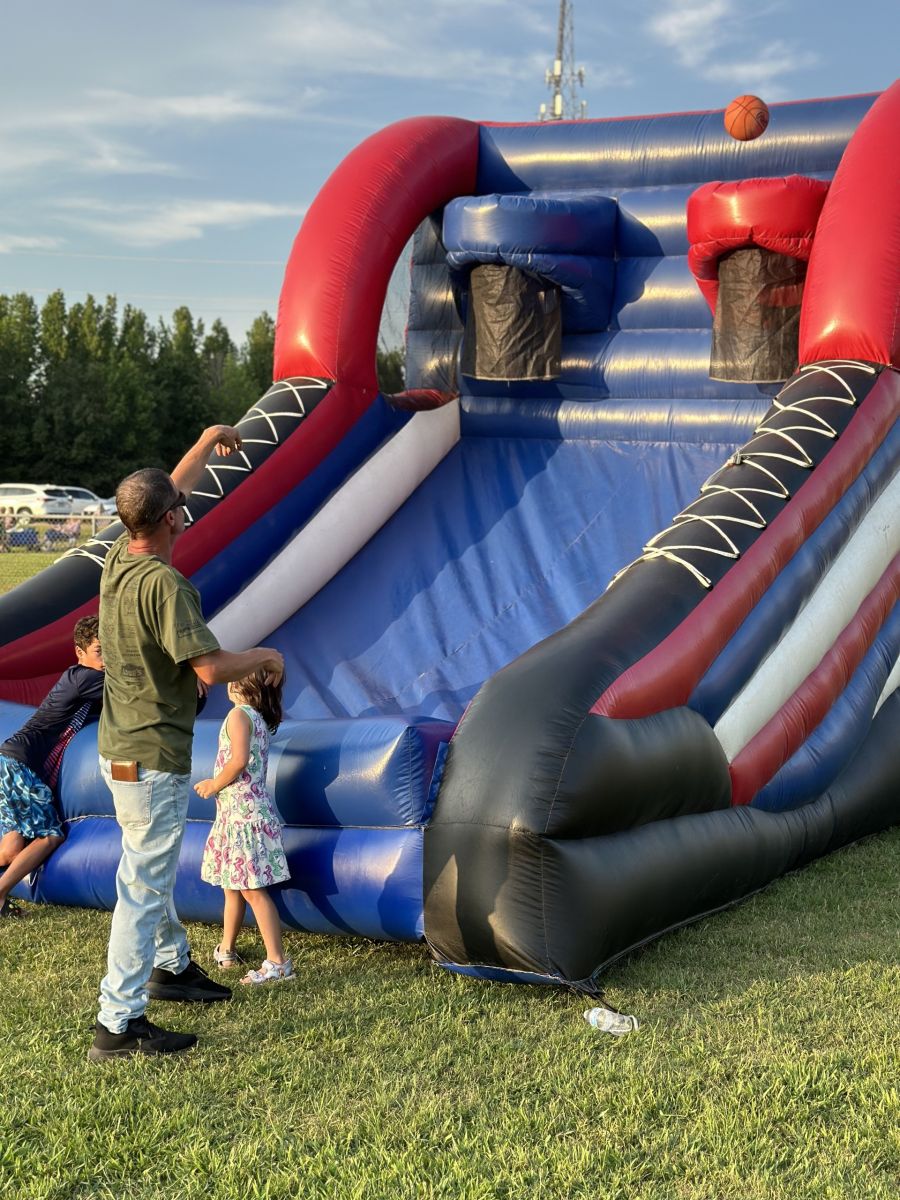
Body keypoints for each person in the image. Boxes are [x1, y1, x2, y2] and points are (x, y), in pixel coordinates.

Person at [89, 424, 285, 1064]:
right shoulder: (167, 586)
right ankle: (118, 1022)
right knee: (141, 887)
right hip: (153, 756)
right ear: (173, 519)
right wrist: (264, 656)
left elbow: (162, 491)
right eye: (179, 507)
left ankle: (172, 967)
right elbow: (208, 669)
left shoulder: (120, 558)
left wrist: (206, 442)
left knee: (145, 867)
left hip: (117, 748)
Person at [0, 616, 105, 917]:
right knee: (51, 836)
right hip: (21, 763)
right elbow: (132, 690)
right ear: (80, 653)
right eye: (100, 650)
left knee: (10, 849)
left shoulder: (87, 678)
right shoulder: (86, 678)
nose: (107, 658)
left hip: (10, 757)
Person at [196, 669, 293, 985]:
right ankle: (226, 948)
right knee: (233, 886)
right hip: (239, 813)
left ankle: (278, 963)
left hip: (242, 816)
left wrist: (213, 784)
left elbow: (237, 761)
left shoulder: (239, 715)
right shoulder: (256, 719)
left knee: (251, 889)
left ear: (237, 683)